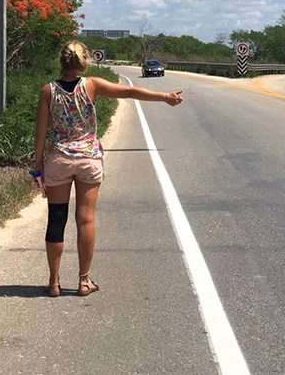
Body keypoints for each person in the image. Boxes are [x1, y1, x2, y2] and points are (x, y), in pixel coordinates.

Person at [33, 40, 183, 297]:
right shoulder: (92, 85)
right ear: (84, 62)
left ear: (62, 62)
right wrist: (165, 97)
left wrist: (38, 166)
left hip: (58, 158)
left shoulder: (49, 91)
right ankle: (83, 281)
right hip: (88, 160)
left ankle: (54, 282)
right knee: (86, 219)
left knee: (57, 218)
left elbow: (41, 131)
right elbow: (129, 93)